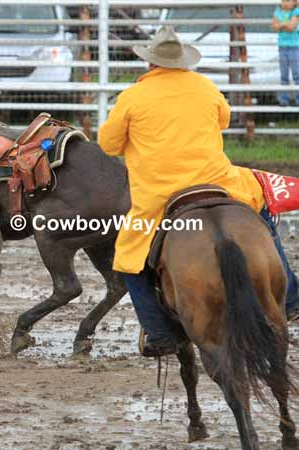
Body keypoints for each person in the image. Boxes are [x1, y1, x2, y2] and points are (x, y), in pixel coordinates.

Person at [98, 26, 299, 357]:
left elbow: (109, 143)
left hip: (159, 194)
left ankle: (160, 334)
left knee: (127, 259)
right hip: (218, 180)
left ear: (150, 64)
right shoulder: (205, 87)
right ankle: (289, 299)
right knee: (261, 207)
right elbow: (223, 119)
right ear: (183, 62)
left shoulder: (132, 97)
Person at [272, 0, 299, 105]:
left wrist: (281, 25)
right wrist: (285, 25)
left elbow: (292, 27)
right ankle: (284, 100)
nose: (285, 3)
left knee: (297, 74)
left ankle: (298, 100)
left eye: (288, 0)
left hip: (294, 46)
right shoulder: (277, 11)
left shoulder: (296, 11)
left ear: (294, 2)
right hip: (282, 46)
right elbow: (274, 26)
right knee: (284, 75)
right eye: (284, 0)